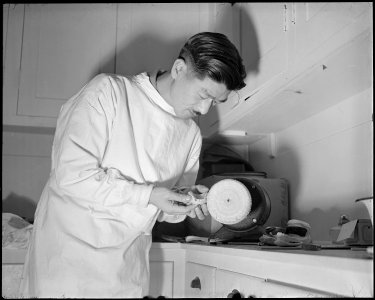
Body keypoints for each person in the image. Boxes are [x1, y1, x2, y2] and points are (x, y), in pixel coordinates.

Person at [19, 31, 246, 298]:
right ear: (178, 69)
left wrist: (186, 202)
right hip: (67, 264)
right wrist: (150, 195)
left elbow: (162, 210)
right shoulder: (109, 92)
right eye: (204, 94)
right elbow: (71, 176)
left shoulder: (191, 135)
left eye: (216, 102)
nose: (206, 110)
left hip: (128, 271)